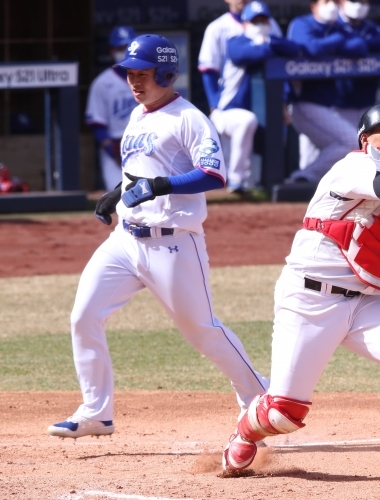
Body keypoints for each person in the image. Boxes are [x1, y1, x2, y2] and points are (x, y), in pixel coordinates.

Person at [221, 103, 380, 481]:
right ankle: (244, 431)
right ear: (366, 139)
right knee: (284, 413)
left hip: (363, 301)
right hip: (308, 299)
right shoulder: (355, 166)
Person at [47, 34, 268, 439]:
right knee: (84, 316)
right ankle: (97, 412)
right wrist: (116, 194)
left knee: (202, 331)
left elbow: (214, 175)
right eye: (130, 73)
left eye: (142, 74)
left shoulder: (189, 118)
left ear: (166, 73)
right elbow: (139, 173)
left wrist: (161, 185)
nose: (133, 81)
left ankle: (261, 400)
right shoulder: (139, 115)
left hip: (173, 243)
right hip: (125, 240)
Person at [198, 0, 282, 193]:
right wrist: (213, 105)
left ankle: (241, 185)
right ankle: (235, 182)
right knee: (243, 127)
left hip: (263, 105)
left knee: (252, 163)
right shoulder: (218, 28)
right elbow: (208, 70)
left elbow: (286, 52)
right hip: (226, 107)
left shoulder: (271, 24)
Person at [286, 0, 368, 183]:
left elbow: (360, 47)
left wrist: (330, 43)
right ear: (314, 6)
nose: (330, 5)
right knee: (349, 141)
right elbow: (311, 48)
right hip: (304, 103)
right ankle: (301, 178)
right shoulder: (302, 23)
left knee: (321, 153)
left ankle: (305, 186)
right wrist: (338, 40)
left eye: (333, 1)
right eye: (325, 1)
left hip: (327, 105)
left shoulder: (338, 26)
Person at [85, 26, 138, 190]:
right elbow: (97, 124)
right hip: (115, 146)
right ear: (111, 50)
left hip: (144, 143)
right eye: (120, 48)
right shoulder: (101, 83)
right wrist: (112, 151)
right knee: (118, 197)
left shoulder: (149, 79)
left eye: (128, 47)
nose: (124, 51)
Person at [226, 2, 303, 110]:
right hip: (235, 105)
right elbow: (245, 55)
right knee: (247, 121)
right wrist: (266, 46)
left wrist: (267, 41)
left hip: (270, 102)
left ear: (269, 23)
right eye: (255, 21)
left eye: (263, 21)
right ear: (244, 24)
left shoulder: (273, 41)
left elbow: (295, 49)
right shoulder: (235, 42)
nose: (260, 25)